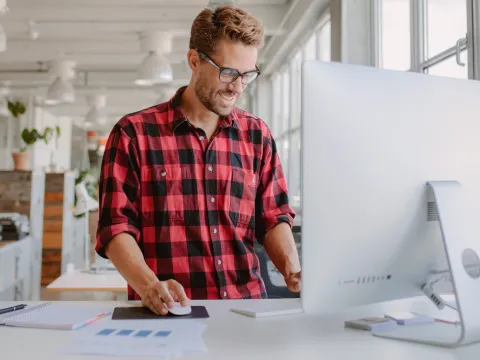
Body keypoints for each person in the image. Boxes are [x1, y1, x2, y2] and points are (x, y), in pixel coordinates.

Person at [95, 4, 301, 316]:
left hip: (247, 312)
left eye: (247, 75)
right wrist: (149, 284)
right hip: (168, 314)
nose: (237, 86)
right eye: (229, 72)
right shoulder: (133, 134)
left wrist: (293, 270)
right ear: (194, 61)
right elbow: (116, 228)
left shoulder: (257, 135)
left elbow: (273, 217)